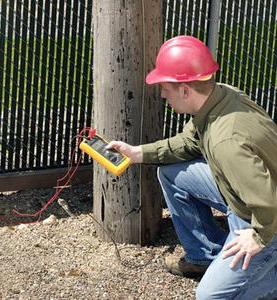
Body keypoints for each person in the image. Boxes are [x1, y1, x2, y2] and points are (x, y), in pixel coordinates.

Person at [107, 36, 277, 299]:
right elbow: (189, 142)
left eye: (165, 88)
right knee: (170, 173)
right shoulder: (221, 96)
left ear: (185, 90)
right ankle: (204, 256)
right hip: (243, 195)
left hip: (264, 218)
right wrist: (138, 153)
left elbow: (269, 203)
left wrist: (257, 236)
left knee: (209, 296)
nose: (162, 94)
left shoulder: (226, 141)